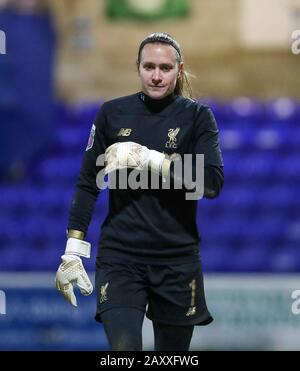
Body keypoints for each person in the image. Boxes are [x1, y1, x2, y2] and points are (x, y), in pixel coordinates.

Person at [55, 32, 224, 351]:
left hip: (177, 260)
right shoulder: (112, 113)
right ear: (138, 67)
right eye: (149, 66)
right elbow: (88, 182)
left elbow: (212, 182)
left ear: (179, 69)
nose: (157, 75)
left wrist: (151, 160)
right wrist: (72, 250)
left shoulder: (198, 117)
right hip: (121, 257)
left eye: (165, 67)